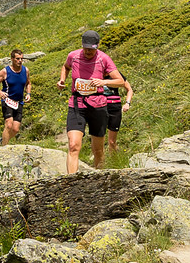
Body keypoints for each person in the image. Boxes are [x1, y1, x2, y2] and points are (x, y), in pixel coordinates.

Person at [57, 30, 122, 173]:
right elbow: (65, 67)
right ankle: (71, 182)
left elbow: (120, 81)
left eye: (91, 49)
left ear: (97, 46)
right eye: (86, 48)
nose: (88, 52)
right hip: (77, 104)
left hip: (98, 106)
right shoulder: (73, 56)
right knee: (73, 145)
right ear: (82, 45)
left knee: (98, 150)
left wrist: (103, 82)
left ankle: (99, 180)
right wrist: (62, 79)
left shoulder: (104, 59)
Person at [0, 50, 32, 144]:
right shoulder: (5, 71)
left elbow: (28, 83)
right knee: (9, 125)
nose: (20, 61)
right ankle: (4, 149)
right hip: (7, 100)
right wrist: (0, 93)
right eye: (17, 59)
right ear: (12, 59)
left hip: (19, 102)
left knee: (15, 129)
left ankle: (3, 140)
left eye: (22, 59)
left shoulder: (26, 70)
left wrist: (28, 94)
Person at [103, 67, 133, 165]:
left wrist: (127, 103)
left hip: (114, 108)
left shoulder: (116, 74)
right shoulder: (94, 73)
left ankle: (114, 163)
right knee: (99, 139)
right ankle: (100, 164)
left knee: (112, 141)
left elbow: (129, 89)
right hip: (98, 108)